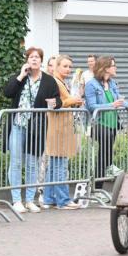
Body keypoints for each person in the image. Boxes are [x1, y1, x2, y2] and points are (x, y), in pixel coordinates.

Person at [4, 47, 62, 213]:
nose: (34, 59)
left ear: (41, 60)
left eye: (37, 57)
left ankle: (29, 199)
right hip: (17, 125)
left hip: (36, 128)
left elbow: (58, 101)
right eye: (31, 57)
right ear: (27, 60)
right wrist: (21, 75)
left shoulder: (49, 81)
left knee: (32, 164)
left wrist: (54, 103)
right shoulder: (20, 77)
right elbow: (7, 93)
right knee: (15, 162)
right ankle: (16, 200)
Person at [85, 55, 128, 191]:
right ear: (106, 68)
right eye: (113, 65)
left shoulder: (112, 83)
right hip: (97, 123)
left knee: (104, 154)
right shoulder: (91, 84)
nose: (116, 68)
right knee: (105, 145)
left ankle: (99, 187)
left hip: (112, 122)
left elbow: (119, 100)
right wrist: (111, 105)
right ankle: (106, 171)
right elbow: (91, 106)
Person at [42, 55, 84, 210]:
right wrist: (74, 100)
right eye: (65, 66)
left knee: (54, 165)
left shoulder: (61, 82)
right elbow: (55, 103)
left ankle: (49, 198)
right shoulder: (55, 82)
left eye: (70, 67)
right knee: (59, 164)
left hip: (60, 126)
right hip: (58, 126)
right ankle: (63, 200)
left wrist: (74, 101)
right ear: (57, 66)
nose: (68, 69)